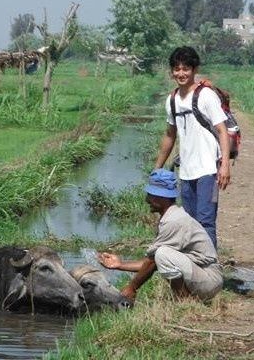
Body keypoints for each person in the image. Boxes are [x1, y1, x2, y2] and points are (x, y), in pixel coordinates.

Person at [98, 169, 223, 302]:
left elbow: (153, 261)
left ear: (162, 198)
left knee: (162, 253)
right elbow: (153, 262)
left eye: (151, 195)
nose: (147, 200)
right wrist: (120, 264)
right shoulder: (171, 216)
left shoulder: (174, 221)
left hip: (208, 280)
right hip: (203, 276)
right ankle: (184, 299)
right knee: (161, 255)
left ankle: (184, 301)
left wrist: (132, 287)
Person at [154, 46, 231, 249]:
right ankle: (194, 269)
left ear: (194, 70)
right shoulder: (172, 100)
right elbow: (170, 134)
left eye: (186, 68)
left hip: (208, 170)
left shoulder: (205, 96)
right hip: (186, 171)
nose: (181, 73)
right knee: (190, 223)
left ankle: (210, 271)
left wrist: (225, 165)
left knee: (206, 222)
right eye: (177, 69)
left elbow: (222, 131)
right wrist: (158, 167)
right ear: (171, 71)